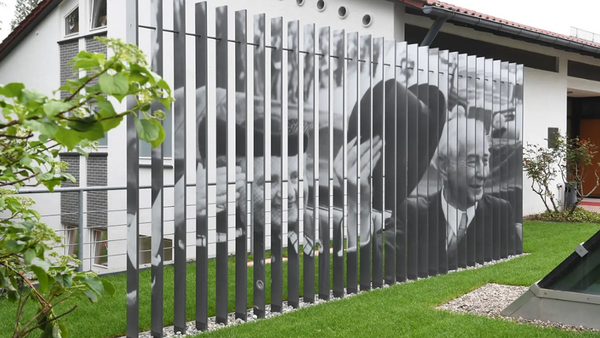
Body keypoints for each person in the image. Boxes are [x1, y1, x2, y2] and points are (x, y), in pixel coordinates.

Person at [407, 116, 516, 264]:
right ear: (444, 167)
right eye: (472, 162)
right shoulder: (414, 214)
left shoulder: (500, 214)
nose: (483, 173)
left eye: (485, 161)